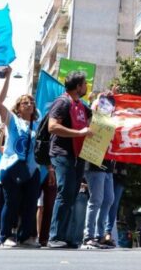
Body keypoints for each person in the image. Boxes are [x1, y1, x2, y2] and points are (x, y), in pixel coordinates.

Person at [47, 71, 92, 249]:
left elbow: (98, 115)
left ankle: (66, 237)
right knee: (64, 194)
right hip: (63, 154)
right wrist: (79, 133)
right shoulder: (62, 102)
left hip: (77, 156)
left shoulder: (81, 105)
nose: (87, 87)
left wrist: (108, 98)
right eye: (85, 84)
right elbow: (52, 126)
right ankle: (55, 237)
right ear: (78, 86)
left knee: (72, 196)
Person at [0, 88, 41, 248]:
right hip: (11, 167)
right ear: (18, 107)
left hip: (32, 169)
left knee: (31, 203)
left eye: (32, 102)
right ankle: (6, 236)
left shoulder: (38, 125)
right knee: (12, 202)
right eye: (25, 103)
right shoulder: (13, 120)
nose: (29, 104)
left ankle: (25, 236)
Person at [82, 92, 117, 250]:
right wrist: (100, 97)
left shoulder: (110, 120)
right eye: (104, 103)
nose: (107, 106)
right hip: (94, 162)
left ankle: (100, 234)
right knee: (96, 199)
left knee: (108, 199)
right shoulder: (93, 117)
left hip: (107, 165)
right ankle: (89, 236)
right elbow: (93, 109)